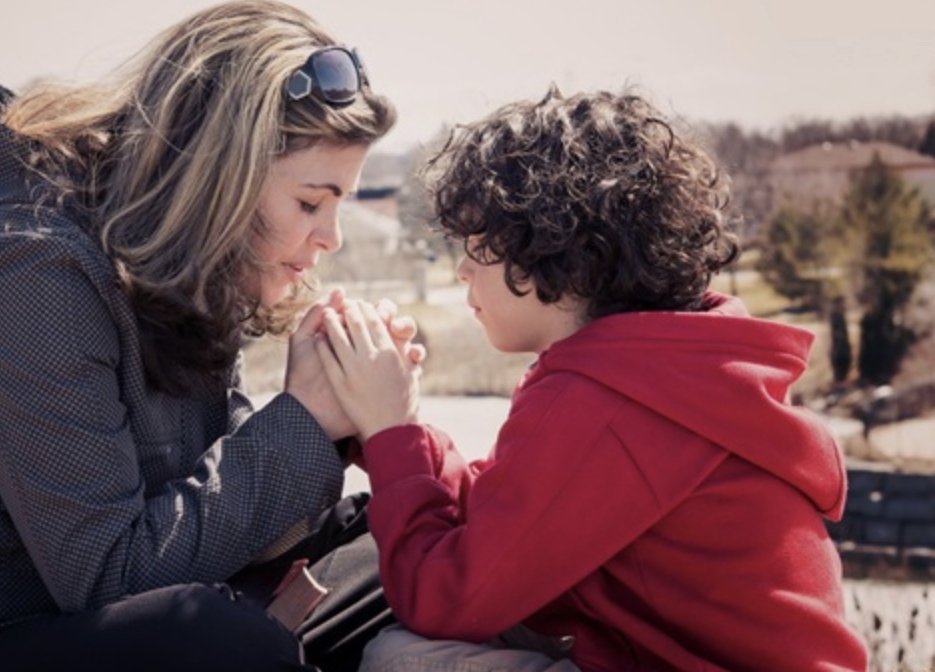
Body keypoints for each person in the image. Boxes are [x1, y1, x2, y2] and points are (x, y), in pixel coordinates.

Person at [0, 2, 415, 670]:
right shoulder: (25, 268)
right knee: (216, 637)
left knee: (397, 550)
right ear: (218, 178)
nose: (331, 238)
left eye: (339, 205)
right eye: (310, 202)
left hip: (67, 634)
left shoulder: (182, 280)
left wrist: (341, 418)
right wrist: (303, 421)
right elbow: (116, 578)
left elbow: (214, 513)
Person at [315, 87, 870, 670]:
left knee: (402, 659)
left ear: (555, 251)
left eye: (479, 246)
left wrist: (391, 432)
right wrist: (396, 430)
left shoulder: (608, 403)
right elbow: (511, 523)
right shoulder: (665, 371)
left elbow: (444, 599)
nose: (462, 269)